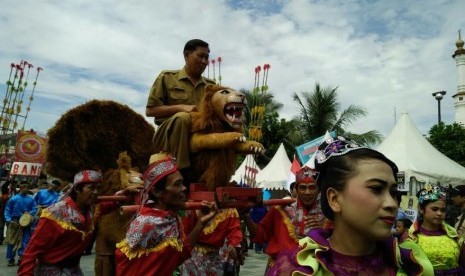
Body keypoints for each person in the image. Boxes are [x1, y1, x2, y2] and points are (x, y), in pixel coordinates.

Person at [269, 136, 433, 275]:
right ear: (334, 199)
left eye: (394, 193)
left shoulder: (411, 262)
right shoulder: (295, 269)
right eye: (376, 189)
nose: (392, 204)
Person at [18, 170, 142, 275]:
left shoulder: (91, 209)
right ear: (77, 189)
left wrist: (123, 193)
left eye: (98, 189)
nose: (95, 193)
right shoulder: (55, 213)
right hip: (51, 270)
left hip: (73, 269)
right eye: (91, 188)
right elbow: (31, 251)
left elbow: (107, 206)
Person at [115, 153, 216, 276]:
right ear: (157, 192)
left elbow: (178, 256)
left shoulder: (169, 217)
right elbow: (126, 269)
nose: (184, 188)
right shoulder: (146, 224)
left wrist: (200, 223)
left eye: (182, 183)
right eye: (177, 184)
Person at [146, 39, 216, 171]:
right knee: (183, 117)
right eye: (200, 56)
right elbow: (150, 111)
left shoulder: (211, 86)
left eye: (206, 58)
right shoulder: (167, 77)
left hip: (197, 135)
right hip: (167, 136)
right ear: (186, 55)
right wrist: (180, 107)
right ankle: (181, 170)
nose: (204, 62)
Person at [243, 166, 324, 273]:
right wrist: (246, 215)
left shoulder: (327, 215)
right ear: (296, 189)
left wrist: (324, 228)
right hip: (281, 270)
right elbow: (258, 235)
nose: (307, 192)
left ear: (318, 190)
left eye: (312, 187)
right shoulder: (279, 211)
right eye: (303, 188)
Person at [406, 184, 465, 274]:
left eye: (443, 210)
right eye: (434, 209)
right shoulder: (410, 237)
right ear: (421, 209)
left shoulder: (454, 237)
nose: (439, 213)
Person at [4, 181, 37, 267]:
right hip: (15, 221)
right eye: (26, 187)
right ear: (22, 187)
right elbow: (7, 210)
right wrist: (8, 219)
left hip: (26, 222)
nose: (27, 189)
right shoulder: (13, 199)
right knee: (12, 241)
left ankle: (21, 258)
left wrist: (29, 213)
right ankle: (11, 259)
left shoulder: (31, 199)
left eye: (28, 187)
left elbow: (35, 208)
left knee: (25, 240)